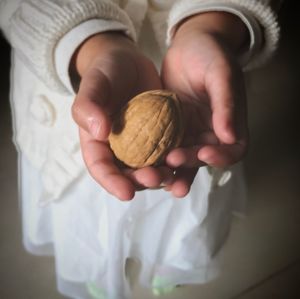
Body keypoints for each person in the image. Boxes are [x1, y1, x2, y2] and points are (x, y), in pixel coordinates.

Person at [0, 0, 281, 298]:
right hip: (75, 60)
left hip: (194, 84)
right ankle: (102, 263)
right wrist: (89, 43)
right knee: (90, 204)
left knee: (180, 195)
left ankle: (169, 258)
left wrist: (212, 25)